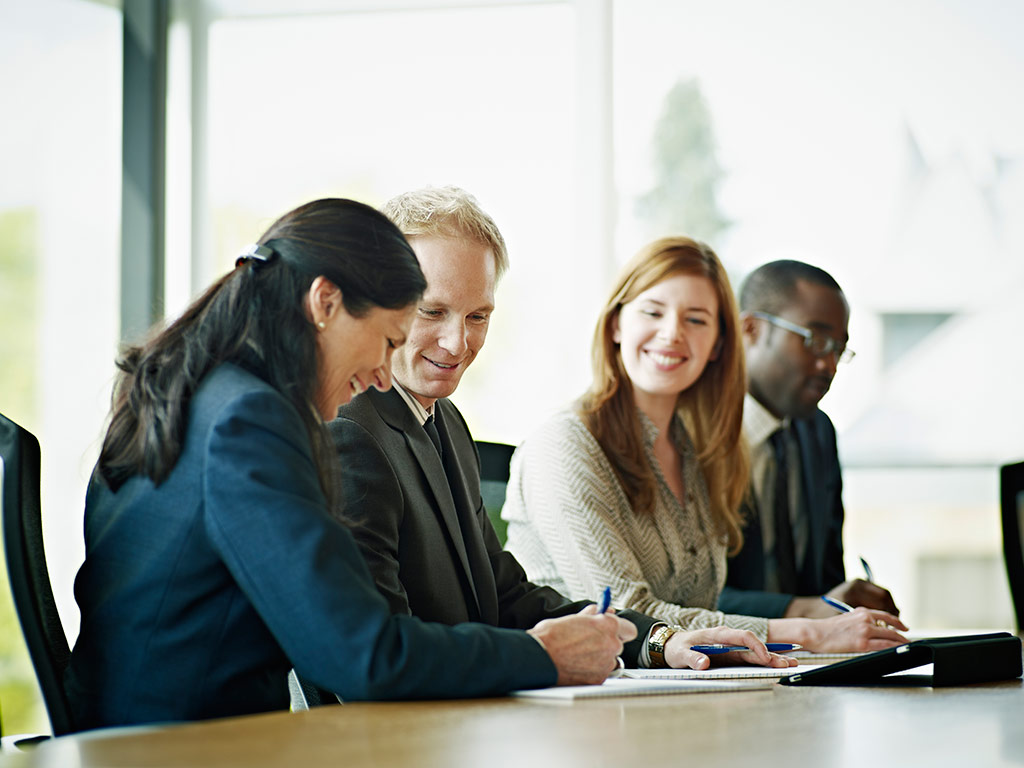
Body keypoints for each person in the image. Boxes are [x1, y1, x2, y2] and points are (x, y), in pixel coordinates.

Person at [64, 198, 637, 732]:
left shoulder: (203, 392)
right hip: (185, 751)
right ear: (326, 303)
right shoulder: (250, 421)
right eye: (390, 339)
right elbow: (362, 655)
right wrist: (540, 655)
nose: (385, 375)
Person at [328, 186, 792, 672]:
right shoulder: (351, 433)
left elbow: (506, 596)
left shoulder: (442, 421)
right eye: (432, 311)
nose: (457, 342)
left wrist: (660, 643)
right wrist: (541, 656)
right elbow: (381, 654)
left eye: (478, 316)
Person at [502, 237, 908, 653]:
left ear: (718, 343)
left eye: (696, 320)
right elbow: (628, 614)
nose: (672, 334)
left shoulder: (695, 451)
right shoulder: (564, 444)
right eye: (653, 312)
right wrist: (805, 631)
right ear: (616, 324)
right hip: (571, 697)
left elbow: (700, 605)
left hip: (675, 690)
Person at [717, 259, 901, 619]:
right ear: (750, 329)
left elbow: (826, 577)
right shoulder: (696, 436)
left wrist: (845, 604)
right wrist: (803, 611)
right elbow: (686, 597)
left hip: (809, 663)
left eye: (838, 349)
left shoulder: (818, 432)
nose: (829, 365)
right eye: (816, 341)